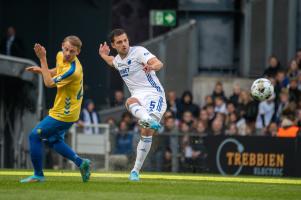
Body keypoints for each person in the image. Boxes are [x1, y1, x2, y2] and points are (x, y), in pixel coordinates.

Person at [99, 29, 166, 181]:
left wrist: (152, 66)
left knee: (147, 131)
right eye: (119, 42)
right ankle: (146, 119)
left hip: (154, 94)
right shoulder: (117, 60)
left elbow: (159, 63)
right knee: (129, 102)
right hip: (138, 96)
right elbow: (112, 62)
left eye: (125, 40)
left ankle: (135, 169)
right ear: (113, 45)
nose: (124, 44)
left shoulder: (139, 52)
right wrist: (103, 55)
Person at [21, 36, 91, 183]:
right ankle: (81, 163)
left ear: (78, 52)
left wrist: (42, 59)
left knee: (35, 136)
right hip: (65, 111)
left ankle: (38, 175)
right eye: (66, 49)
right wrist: (43, 70)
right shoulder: (60, 56)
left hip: (64, 114)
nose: (67, 53)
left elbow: (48, 83)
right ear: (62, 47)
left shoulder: (74, 70)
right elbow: (56, 71)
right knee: (55, 141)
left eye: (72, 51)